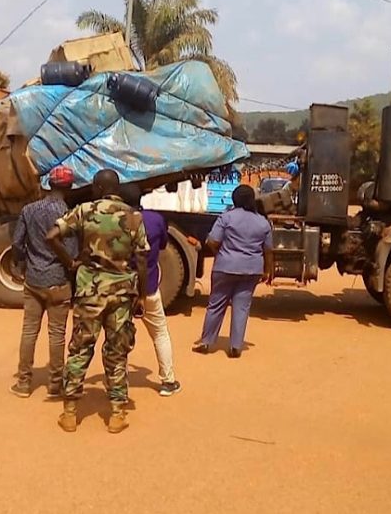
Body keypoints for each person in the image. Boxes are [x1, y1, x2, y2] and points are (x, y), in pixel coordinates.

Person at [47, 169, 149, 434]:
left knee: (80, 349)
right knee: (117, 352)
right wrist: (143, 294)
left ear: (99, 188)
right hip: (122, 294)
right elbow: (143, 260)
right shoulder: (134, 217)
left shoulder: (83, 211)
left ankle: (70, 413)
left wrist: (70, 263)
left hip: (88, 293)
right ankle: (116, 414)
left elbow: (51, 236)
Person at [10, 165, 78, 399]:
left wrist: (21, 265)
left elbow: (17, 243)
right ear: (69, 187)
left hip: (33, 280)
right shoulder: (69, 214)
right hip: (58, 281)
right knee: (57, 334)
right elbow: (72, 250)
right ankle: (55, 384)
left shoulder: (29, 210)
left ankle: (24, 382)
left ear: (49, 184)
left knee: (29, 331)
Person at [193, 184, 273, 358]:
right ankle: (236, 346)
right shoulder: (263, 222)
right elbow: (268, 250)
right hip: (252, 269)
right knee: (241, 307)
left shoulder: (226, 217)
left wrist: (221, 254)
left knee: (216, 304)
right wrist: (267, 271)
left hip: (225, 266)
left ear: (234, 199)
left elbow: (213, 241)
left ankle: (206, 342)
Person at [120, 183, 181, 397]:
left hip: (121, 288)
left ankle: (119, 383)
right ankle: (168, 381)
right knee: (159, 333)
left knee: (117, 336)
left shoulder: (115, 221)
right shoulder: (155, 219)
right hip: (149, 287)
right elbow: (163, 245)